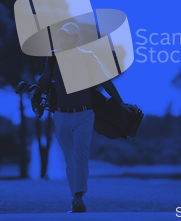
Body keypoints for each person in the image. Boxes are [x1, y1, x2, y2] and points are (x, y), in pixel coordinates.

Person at [33, 22, 134, 213]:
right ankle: (75, 198)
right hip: (61, 116)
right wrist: (37, 92)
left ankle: (78, 198)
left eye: (68, 36)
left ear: (75, 39)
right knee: (69, 159)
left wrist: (120, 103)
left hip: (84, 114)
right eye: (62, 35)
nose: (64, 39)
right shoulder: (53, 57)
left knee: (81, 156)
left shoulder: (88, 57)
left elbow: (106, 81)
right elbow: (46, 79)